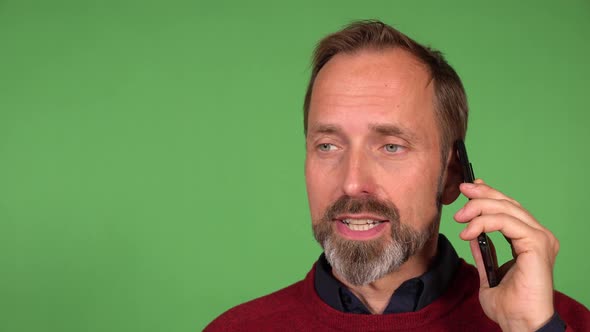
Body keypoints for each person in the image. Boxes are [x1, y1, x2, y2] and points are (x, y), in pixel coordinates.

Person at [204, 20, 589, 331]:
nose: (352, 183)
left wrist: (532, 328)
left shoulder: (557, 323)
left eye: (391, 146)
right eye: (328, 146)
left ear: (452, 174)